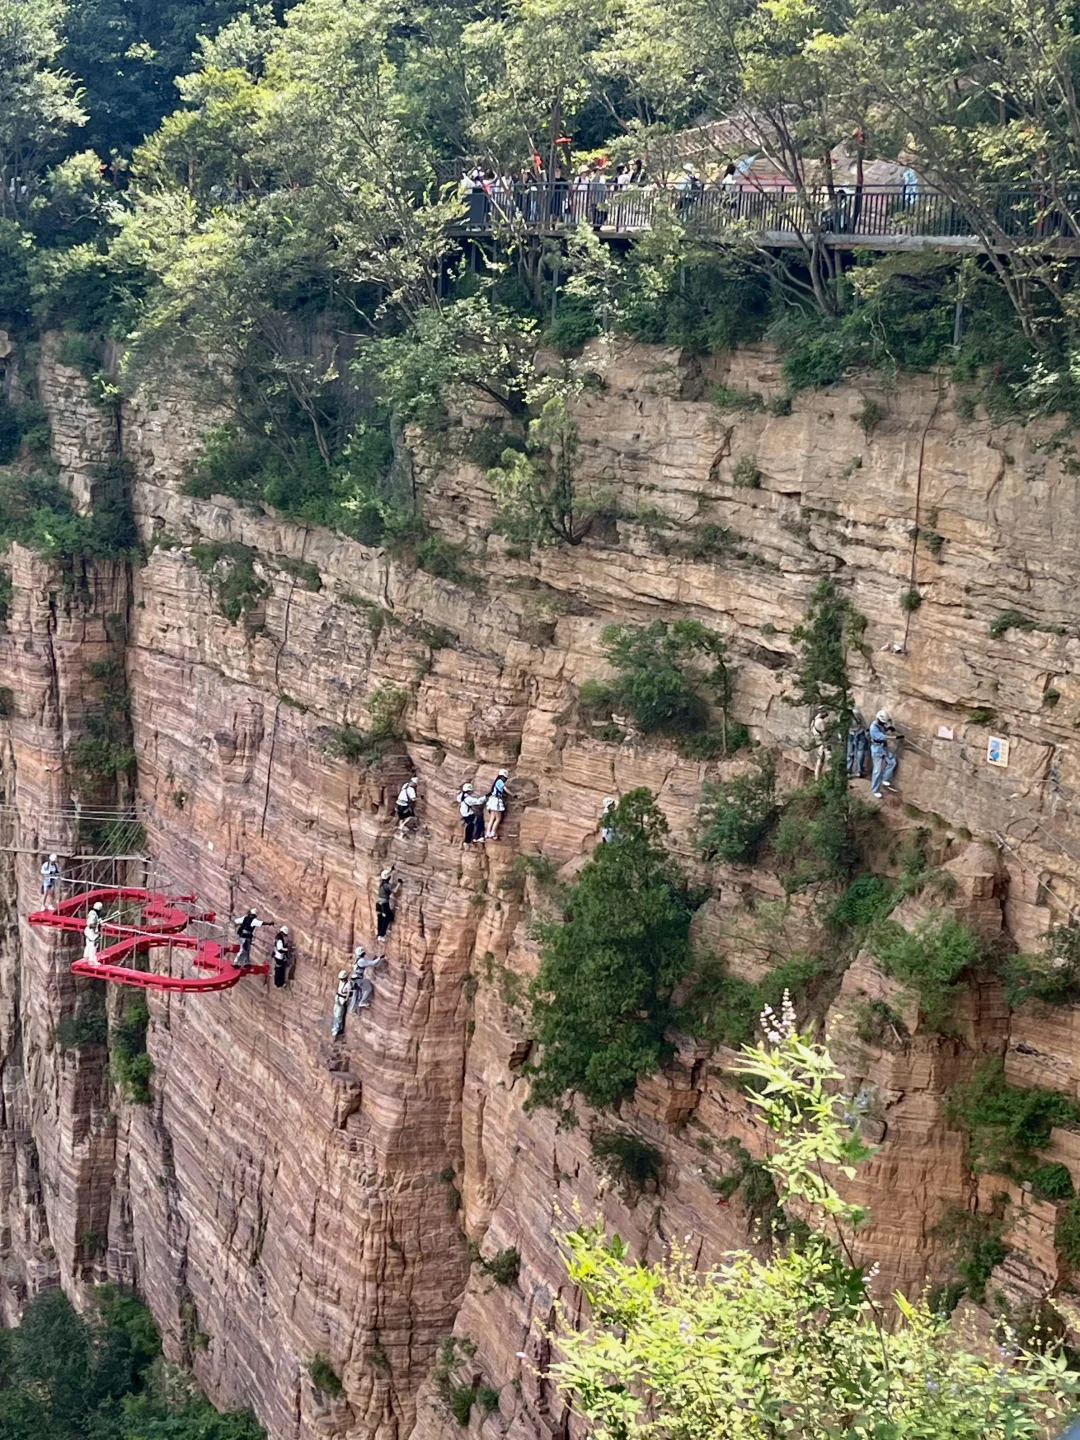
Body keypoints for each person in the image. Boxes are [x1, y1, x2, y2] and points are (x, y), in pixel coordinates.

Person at [869, 709, 900, 800]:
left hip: (883, 748)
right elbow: (882, 737)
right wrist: (895, 737)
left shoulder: (880, 724)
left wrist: (888, 728)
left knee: (892, 762)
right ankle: (875, 790)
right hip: (877, 749)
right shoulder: (873, 728)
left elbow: (884, 729)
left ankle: (885, 779)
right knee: (877, 771)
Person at [349, 946, 384, 1012]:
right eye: (363, 952)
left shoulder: (358, 959)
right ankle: (362, 1002)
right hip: (358, 979)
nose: (364, 952)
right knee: (368, 988)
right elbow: (373, 963)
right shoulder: (361, 961)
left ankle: (353, 1010)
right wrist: (380, 958)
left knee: (356, 994)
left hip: (354, 979)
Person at [484, 770, 511, 841]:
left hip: (492, 800)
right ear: (502, 777)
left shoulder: (496, 782)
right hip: (496, 801)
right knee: (498, 818)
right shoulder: (500, 781)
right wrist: (513, 795)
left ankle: (488, 833)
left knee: (492, 818)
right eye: (504, 778)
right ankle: (493, 833)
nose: (505, 779)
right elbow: (505, 789)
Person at [376, 868, 401, 940]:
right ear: (389, 877)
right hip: (384, 904)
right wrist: (399, 883)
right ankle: (382, 935)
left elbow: (386, 876)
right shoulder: (387, 885)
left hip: (378, 903)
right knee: (387, 918)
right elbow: (395, 891)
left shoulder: (381, 883)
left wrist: (391, 870)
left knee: (380, 918)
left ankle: (379, 934)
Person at [847, 709, 870, 779]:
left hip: (851, 733)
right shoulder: (856, 712)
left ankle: (848, 771)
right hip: (860, 732)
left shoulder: (843, 715)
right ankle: (859, 771)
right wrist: (867, 732)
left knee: (850, 753)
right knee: (860, 751)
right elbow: (863, 723)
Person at [810, 707, 832, 780]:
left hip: (818, 743)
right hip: (823, 743)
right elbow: (825, 732)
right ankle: (829, 779)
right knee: (829, 760)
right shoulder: (820, 721)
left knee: (820, 761)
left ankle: (817, 778)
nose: (827, 714)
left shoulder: (813, 721)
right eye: (825, 712)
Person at [331, 969, 352, 1038]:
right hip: (338, 998)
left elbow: (348, 994)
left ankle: (337, 1029)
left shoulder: (348, 984)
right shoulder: (341, 982)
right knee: (335, 1012)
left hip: (342, 1000)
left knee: (339, 1015)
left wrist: (345, 1001)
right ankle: (335, 1027)